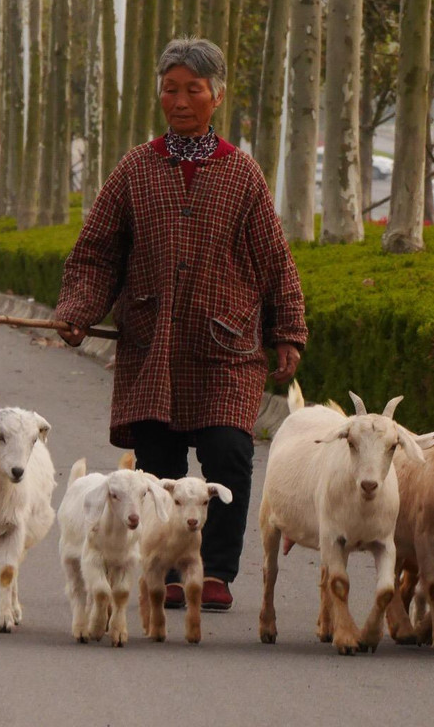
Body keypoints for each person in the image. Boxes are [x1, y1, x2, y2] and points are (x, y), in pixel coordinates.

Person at [55, 37, 307, 612]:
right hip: (155, 346)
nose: (180, 100)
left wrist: (287, 330)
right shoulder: (135, 170)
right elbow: (96, 254)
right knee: (157, 470)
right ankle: (163, 567)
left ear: (216, 96)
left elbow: (275, 259)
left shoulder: (241, 174)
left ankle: (214, 571)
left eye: (193, 89)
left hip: (227, 347)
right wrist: (77, 310)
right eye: (171, 89)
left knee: (229, 453)